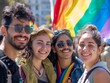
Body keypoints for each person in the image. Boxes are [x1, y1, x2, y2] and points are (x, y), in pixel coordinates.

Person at [0, 2, 35, 83]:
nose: (23, 34)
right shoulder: (1, 66)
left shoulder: (14, 65)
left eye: (28, 29)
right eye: (18, 27)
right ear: (4, 30)